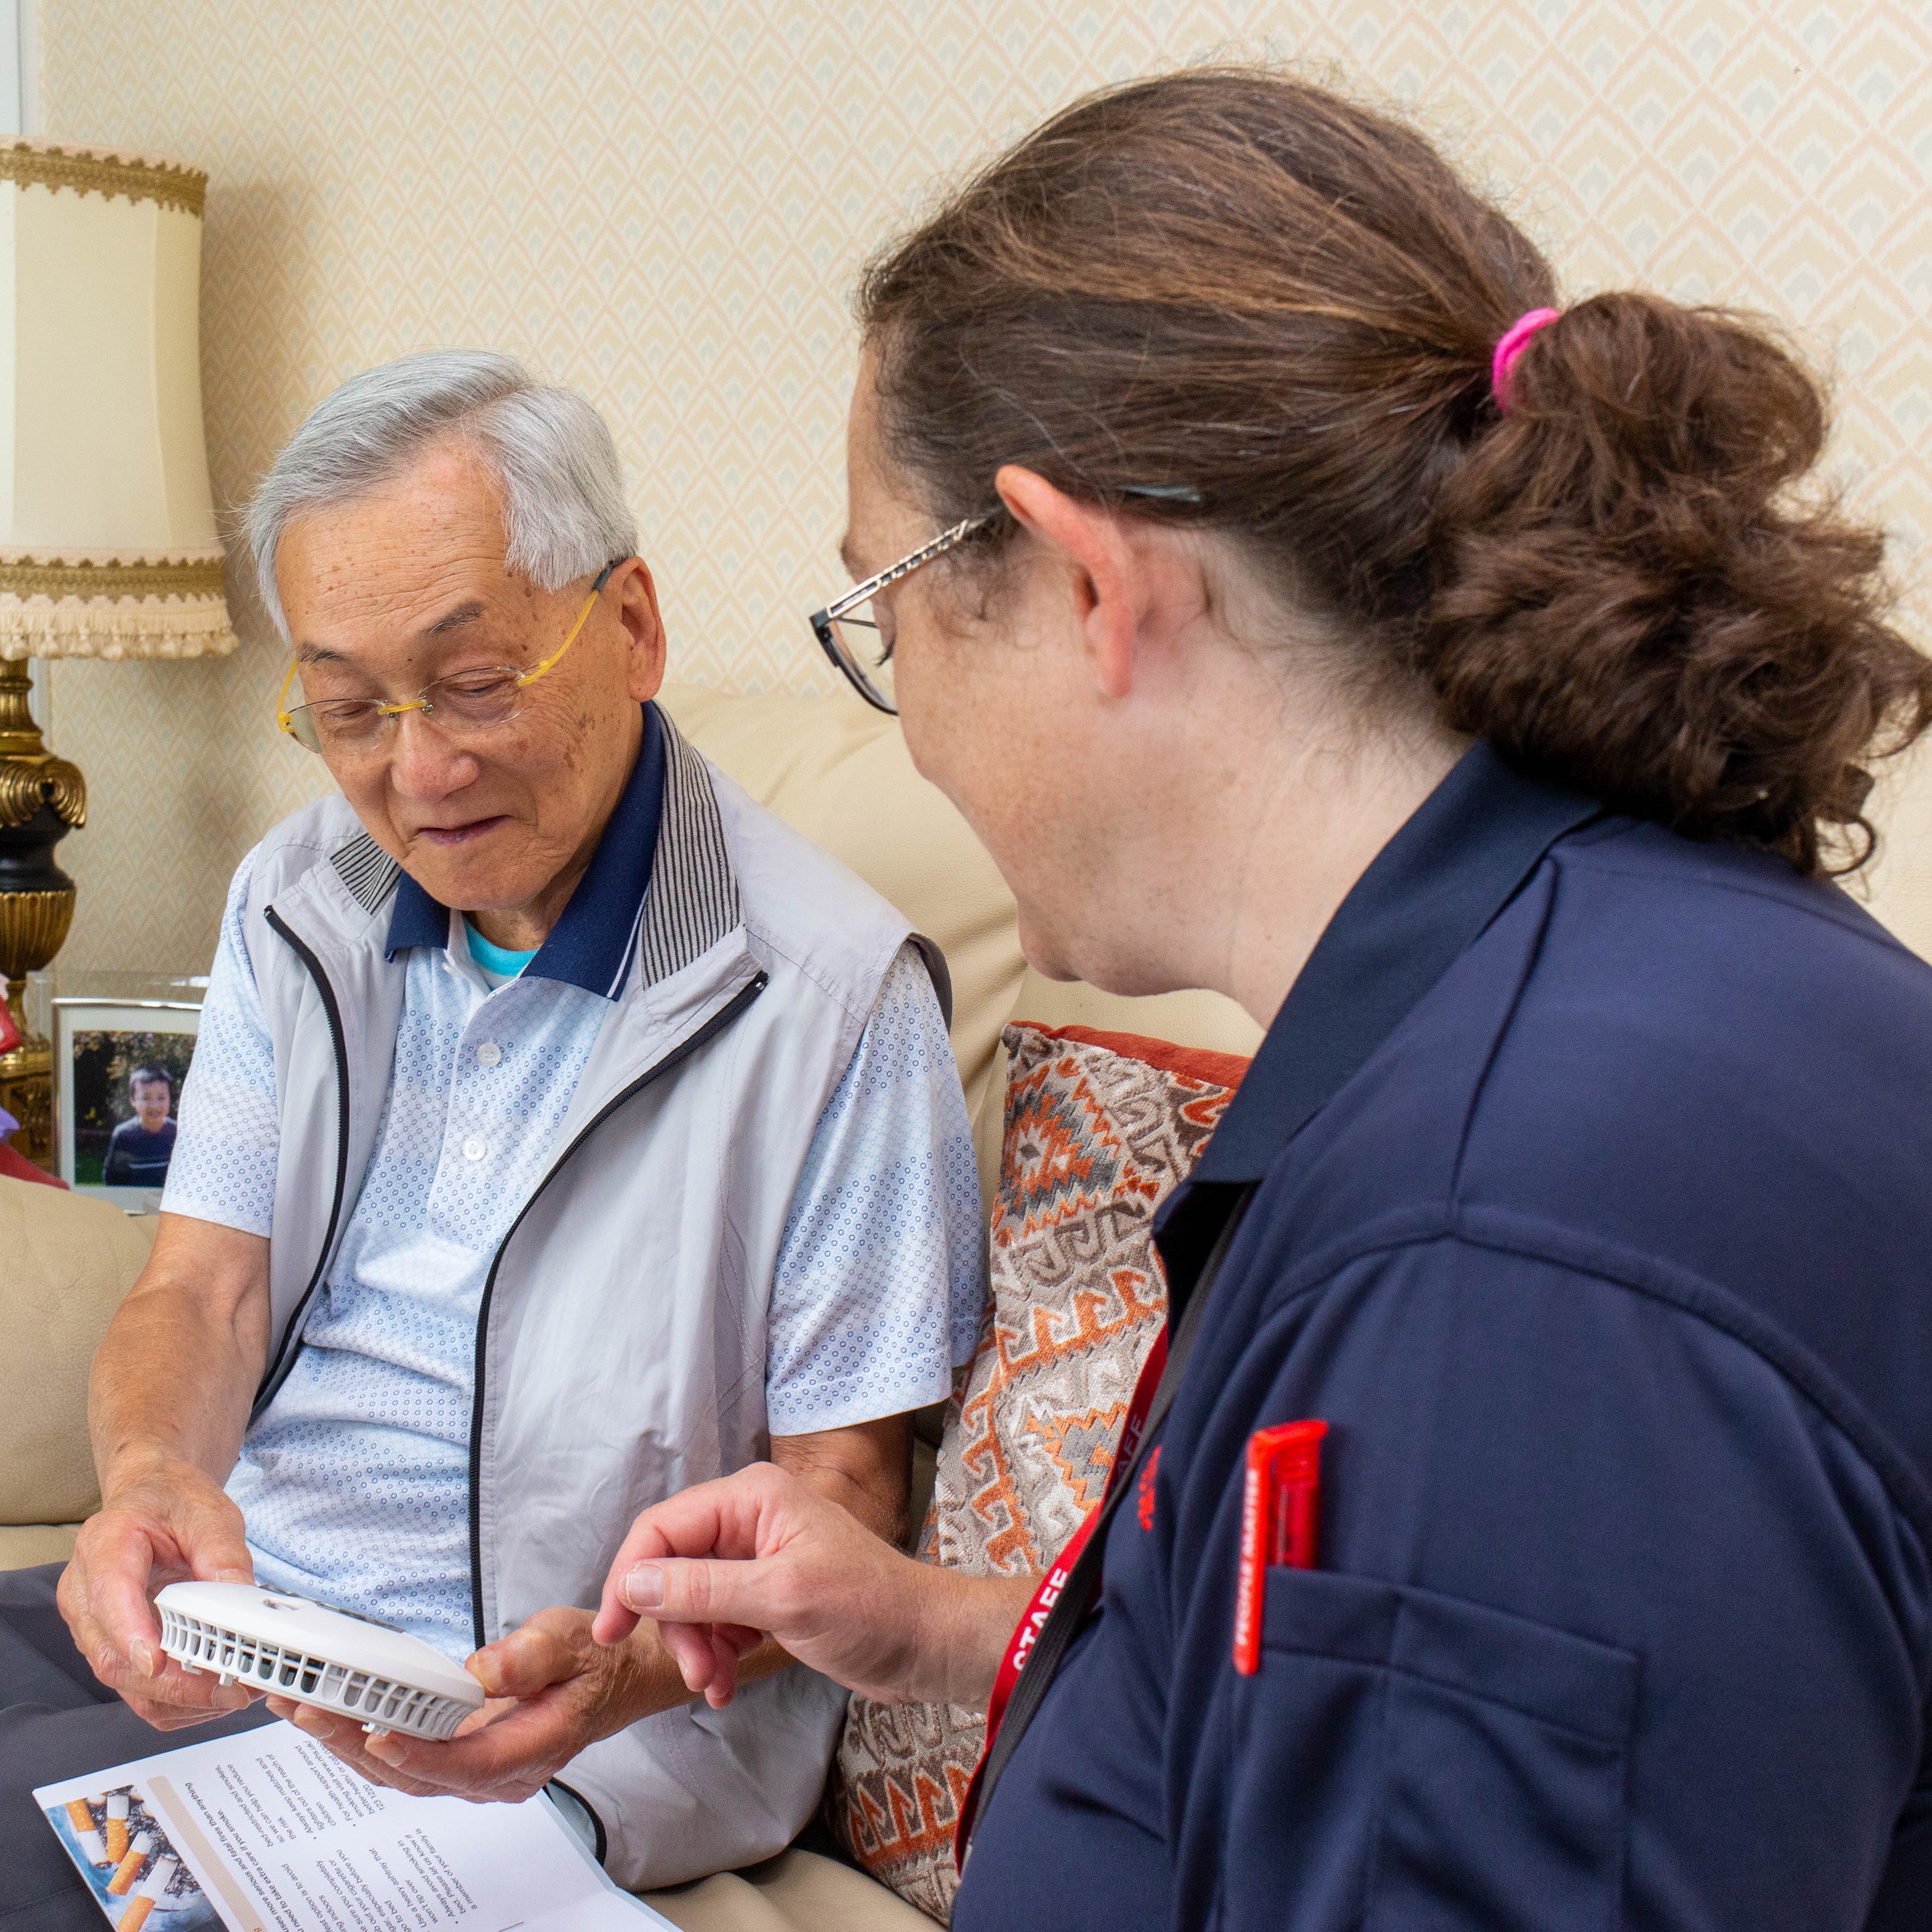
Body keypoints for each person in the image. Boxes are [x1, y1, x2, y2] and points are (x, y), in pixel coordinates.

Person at [589, 69, 1932, 1930]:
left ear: (1080, 583)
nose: (900, 720)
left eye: (880, 607)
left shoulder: (1500, 1255)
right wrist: (934, 1626)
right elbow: (1354, 1674)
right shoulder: (1604, 977)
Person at [4, 351, 985, 1912]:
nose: (418, 768)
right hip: (258, 1619)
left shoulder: (831, 999)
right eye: (347, 706)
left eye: (475, 683)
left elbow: (843, 1499)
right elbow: (201, 1292)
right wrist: (142, 1479)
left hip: (526, 1710)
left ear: (634, 627)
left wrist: (603, 1683)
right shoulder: (297, 896)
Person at [100, 1065, 176, 1187]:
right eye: (146, 1098)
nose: (154, 1106)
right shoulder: (124, 1135)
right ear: (133, 1101)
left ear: (169, 1099)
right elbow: (114, 1180)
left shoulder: (178, 1133)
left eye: (161, 1098)